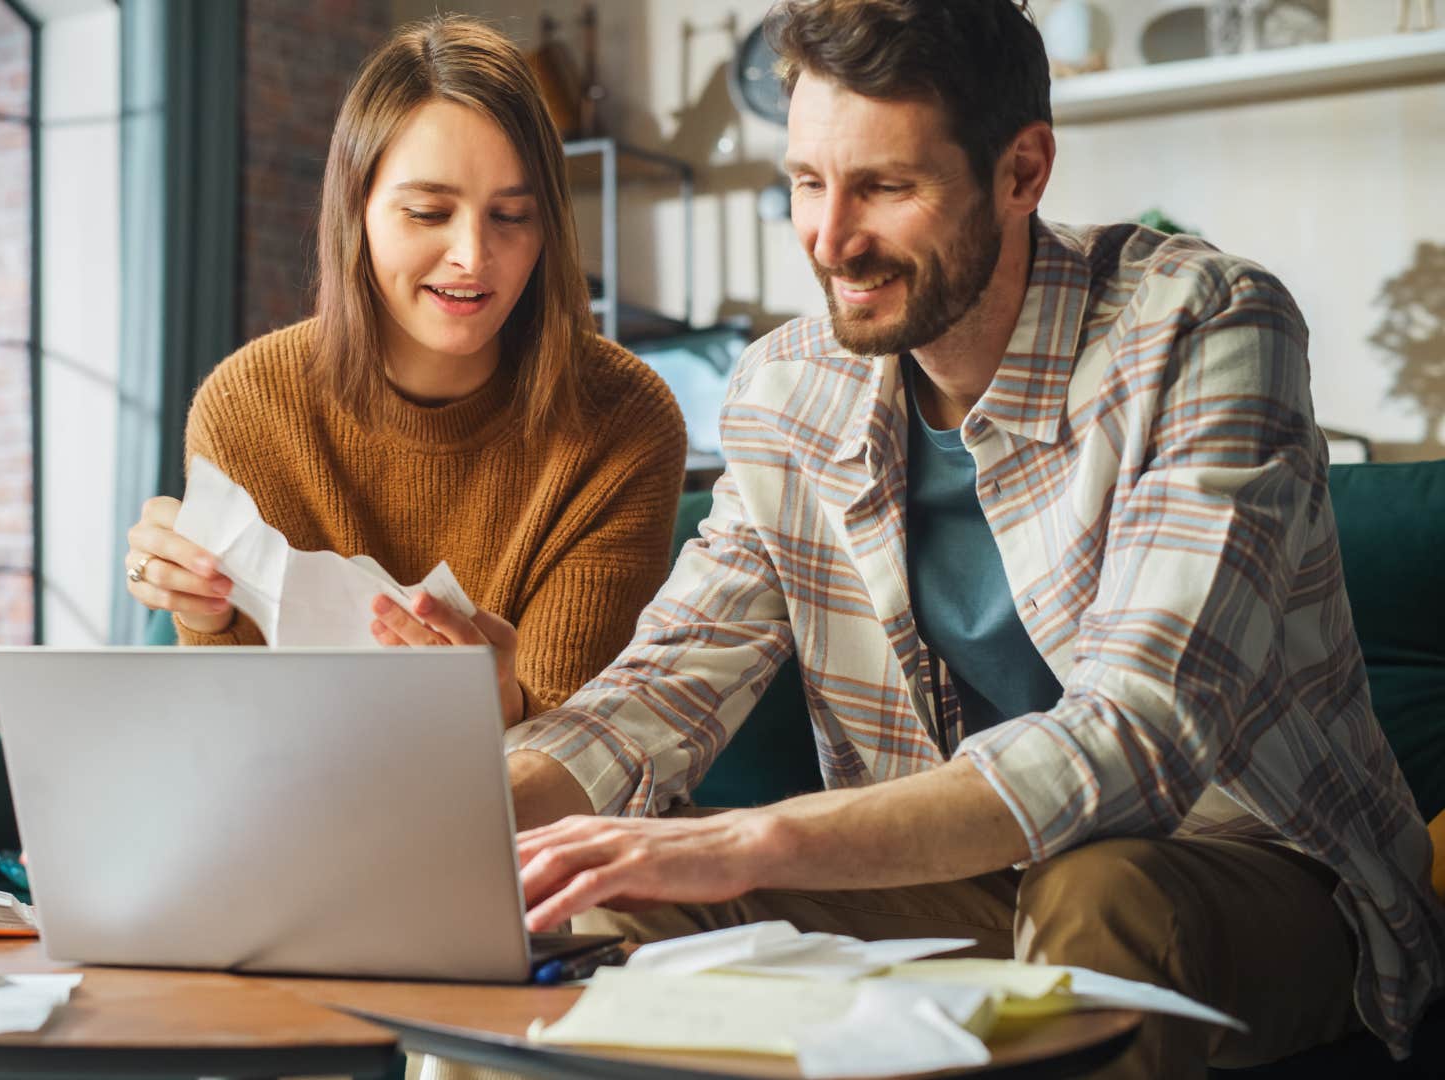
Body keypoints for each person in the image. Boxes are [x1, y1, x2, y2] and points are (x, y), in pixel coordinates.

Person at [503, 1, 1444, 1076]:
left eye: (886, 188)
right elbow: (663, 689)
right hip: (957, 878)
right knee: (599, 894)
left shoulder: (1202, 326)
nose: (830, 238)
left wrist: (754, 834)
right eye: (807, 182)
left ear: (1022, 171)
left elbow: (1138, 736)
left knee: (1098, 893)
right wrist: (460, 812)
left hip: (1243, 866)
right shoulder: (786, 389)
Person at [122, 15, 685, 729]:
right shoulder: (248, 407)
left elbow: (588, 754)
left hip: (540, 824)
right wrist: (190, 597)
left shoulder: (623, 417)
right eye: (427, 212)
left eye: (512, 216)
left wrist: (499, 704)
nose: (473, 256)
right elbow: (236, 730)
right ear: (355, 210)